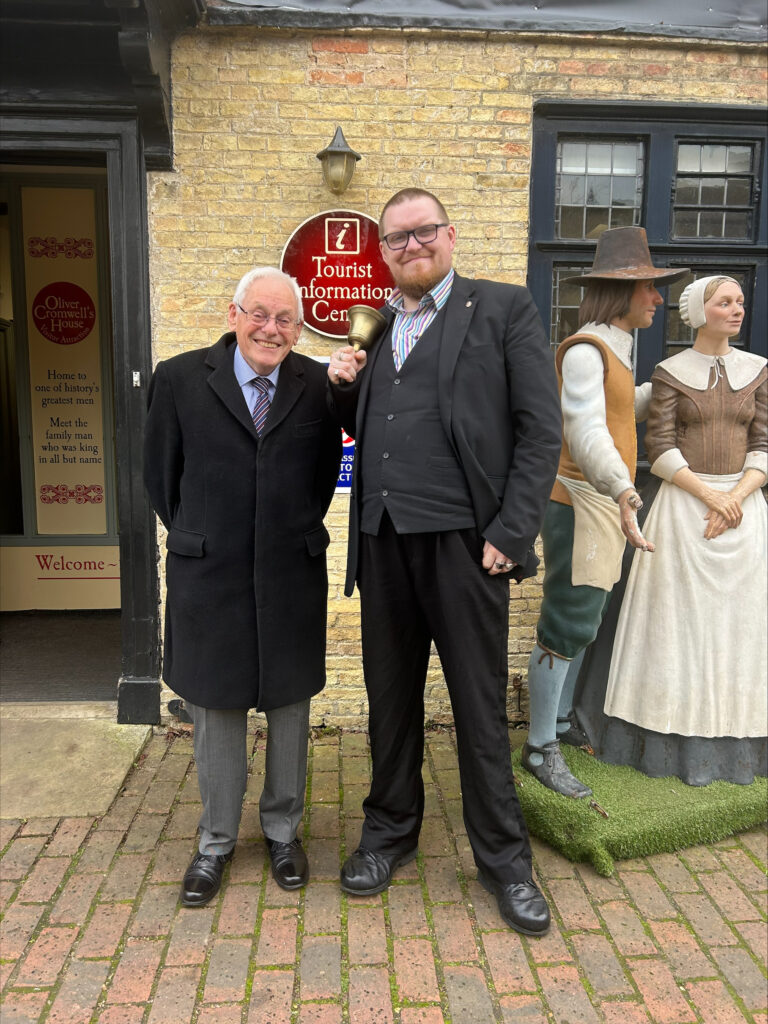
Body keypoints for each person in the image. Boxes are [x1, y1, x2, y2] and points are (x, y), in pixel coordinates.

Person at [328, 187, 562, 936]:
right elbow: (372, 425)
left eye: (422, 231)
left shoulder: (501, 310)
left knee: (479, 708)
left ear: (449, 235)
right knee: (389, 699)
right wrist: (341, 391)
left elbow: (538, 430)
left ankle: (505, 862)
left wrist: (512, 530)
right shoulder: (380, 325)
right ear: (384, 253)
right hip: (383, 540)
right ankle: (388, 833)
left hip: (467, 545)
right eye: (395, 239)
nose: (409, 246)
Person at [144, 267, 342, 906]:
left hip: (290, 570)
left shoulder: (315, 384)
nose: (272, 329)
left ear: (299, 326)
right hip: (211, 574)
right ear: (233, 314)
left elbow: (319, 480)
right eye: (259, 314)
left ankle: (283, 832)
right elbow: (160, 479)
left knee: (289, 707)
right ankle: (216, 843)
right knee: (217, 710)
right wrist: (208, 532)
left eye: (286, 318)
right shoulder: (178, 378)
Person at [521, 227, 688, 798]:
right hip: (583, 501)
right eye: (649, 290)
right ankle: (539, 746)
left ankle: (560, 723)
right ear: (622, 292)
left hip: (599, 501)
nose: (657, 300)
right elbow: (586, 428)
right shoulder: (588, 350)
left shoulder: (611, 346)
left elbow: (618, 408)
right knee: (567, 621)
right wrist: (621, 488)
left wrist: (663, 387)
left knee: (584, 618)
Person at [590, 275, 767, 785]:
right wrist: (710, 495)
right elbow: (660, 444)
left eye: (739, 302)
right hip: (686, 511)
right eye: (723, 302)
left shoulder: (757, 372)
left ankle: (741, 744)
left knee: (741, 627)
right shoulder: (670, 373)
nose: (736, 310)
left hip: (744, 512)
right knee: (678, 625)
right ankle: (667, 740)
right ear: (699, 312)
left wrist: (734, 496)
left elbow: (765, 443)